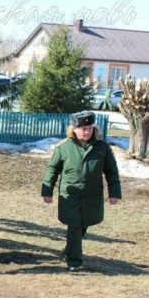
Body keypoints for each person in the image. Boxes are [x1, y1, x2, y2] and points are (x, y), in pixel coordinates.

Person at [41, 111, 121, 272]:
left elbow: (111, 171)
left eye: (90, 128)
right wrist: (47, 190)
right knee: (74, 225)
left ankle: (68, 250)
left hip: (92, 195)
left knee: (84, 223)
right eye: (83, 128)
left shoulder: (102, 147)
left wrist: (114, 193)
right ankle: (74, 260)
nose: (87, 131)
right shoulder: (64, 147)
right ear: (74, 129)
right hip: (70, 195)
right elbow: (52, 169)